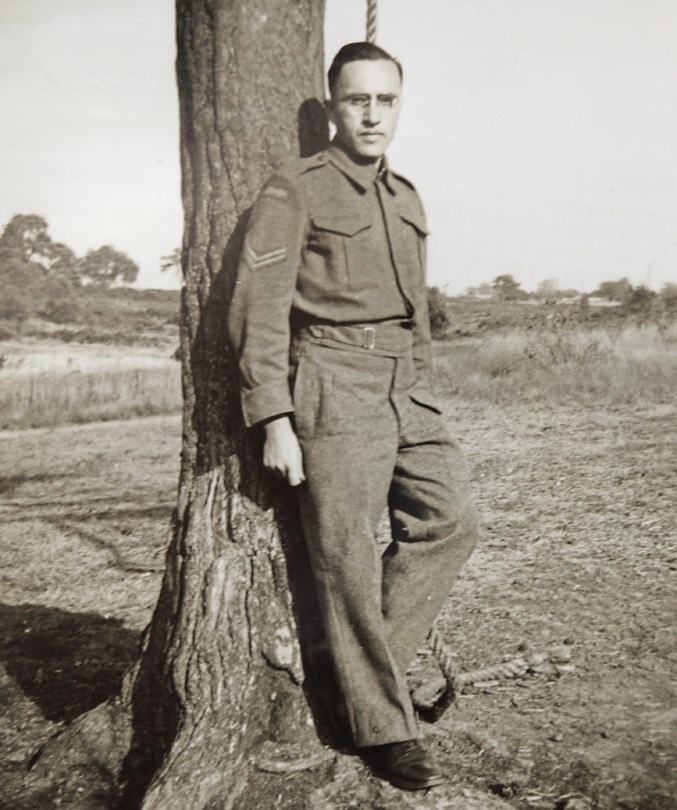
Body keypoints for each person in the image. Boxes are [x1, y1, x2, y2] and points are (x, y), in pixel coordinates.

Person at [228, 41, 478, 791]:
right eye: (356, 100)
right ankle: (380, 728)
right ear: (332, 107)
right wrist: (273, 416)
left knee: (451, 520)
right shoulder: (295, 188)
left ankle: (361, 684)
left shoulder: (405, 195)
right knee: (343, 559)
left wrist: (423, 385)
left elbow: (417, 316)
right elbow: (258, 308)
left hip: (405, 384)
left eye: (385, 100)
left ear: (399, 104)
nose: (372, 114)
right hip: (332, 380)